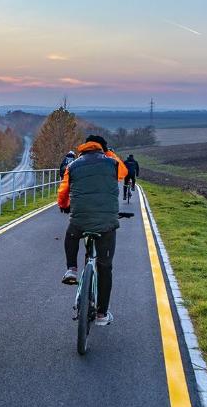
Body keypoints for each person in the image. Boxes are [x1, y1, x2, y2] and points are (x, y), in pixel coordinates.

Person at [57, 135, 128, 325]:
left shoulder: (73, 165)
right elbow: (124, 172)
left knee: (72, 232)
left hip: (80, 219)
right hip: (106, 222)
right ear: (102, 149)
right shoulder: (112, 162)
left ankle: (71, 269)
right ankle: (102, 314)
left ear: (83, 148)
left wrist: (63, 205)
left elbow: (64, 190)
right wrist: (108, 153)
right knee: (105, 267)